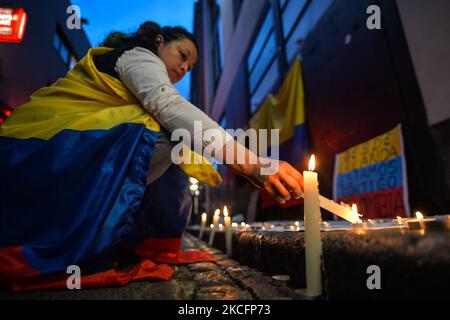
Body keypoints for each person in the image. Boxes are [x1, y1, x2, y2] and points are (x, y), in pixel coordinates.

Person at [0, 21, 303, 292]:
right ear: (158, 41)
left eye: (191, 67)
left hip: (55, 152)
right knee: (167, 133)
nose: (185, 69)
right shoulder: (138, 55)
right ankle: (94, 239)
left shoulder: (136, 78)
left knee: (173, 138)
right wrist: (252, 163)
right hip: (36, 151)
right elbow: (169, 106)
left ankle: (131, 240)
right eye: (183, 56)